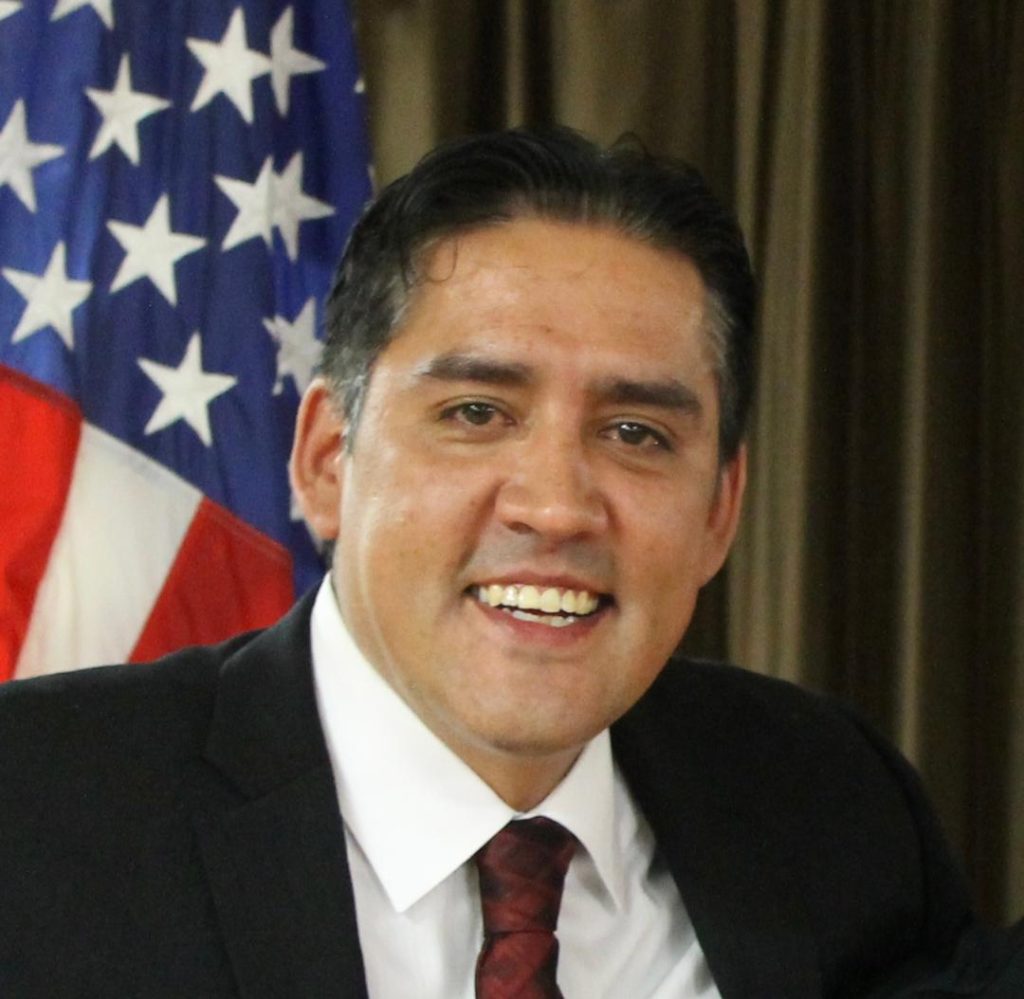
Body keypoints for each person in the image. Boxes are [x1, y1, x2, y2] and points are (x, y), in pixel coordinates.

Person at [0, 127, 1002, 997]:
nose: (556, 506)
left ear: (719, 511)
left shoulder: (833, 806)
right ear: (327, 461)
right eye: (476, 413)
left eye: (637, 433)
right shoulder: (31, 816)